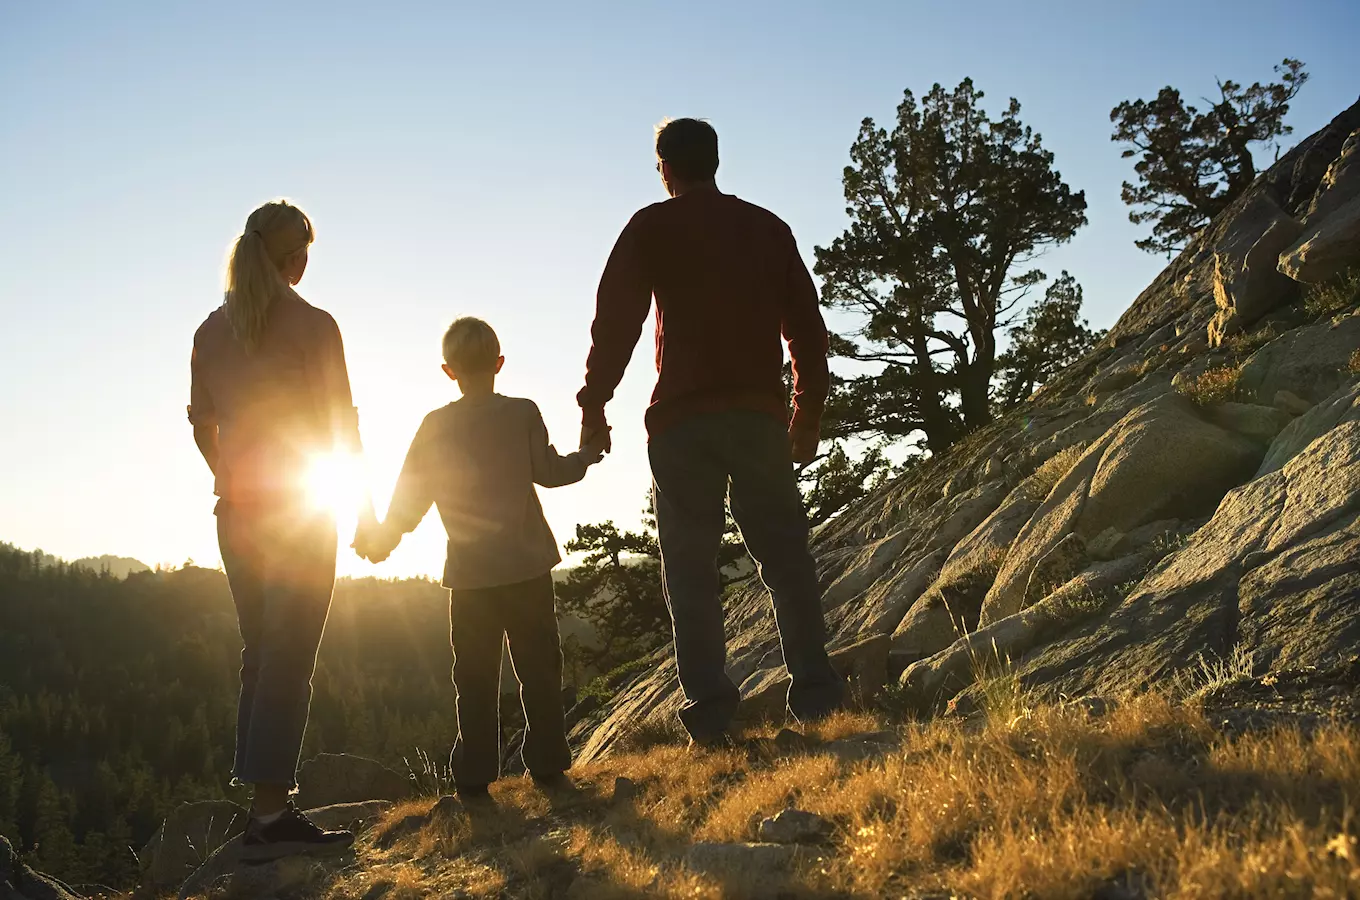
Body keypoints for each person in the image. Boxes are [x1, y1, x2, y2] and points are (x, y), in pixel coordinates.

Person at [577, 118, 846, 747]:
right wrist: (805, 414)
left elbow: (615, 322)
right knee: (784, 556)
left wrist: (595, 403)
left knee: (690, 571)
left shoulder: (652, 226)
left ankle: (713, 715)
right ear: (717, 161)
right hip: (757, 415)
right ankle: (815, 693)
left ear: (667, 165)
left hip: (681, 422)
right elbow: (807, 329)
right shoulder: (766, 228)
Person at [357, 317, 608, 799]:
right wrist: (587, 455)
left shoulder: (435, 426)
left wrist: (383, 539)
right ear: (499, 363)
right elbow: (550, 472)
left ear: (448, 371)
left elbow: (411, 497)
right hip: (527, 568)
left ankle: (473, 776)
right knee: (539, 670)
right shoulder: (522, 413)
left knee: (473, 678)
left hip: (470, 578)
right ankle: (550, 766)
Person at [189, 199, 364, 861]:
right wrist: (365, 505)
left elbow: (203, 425)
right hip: (298, 510)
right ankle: (270, 816)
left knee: (261, 656)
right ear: (294, 257)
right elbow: (340, 422)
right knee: (287, 658)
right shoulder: (315, 325)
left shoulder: (211, 330)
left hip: (235, 513)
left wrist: (231, 473)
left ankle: (264, 808)